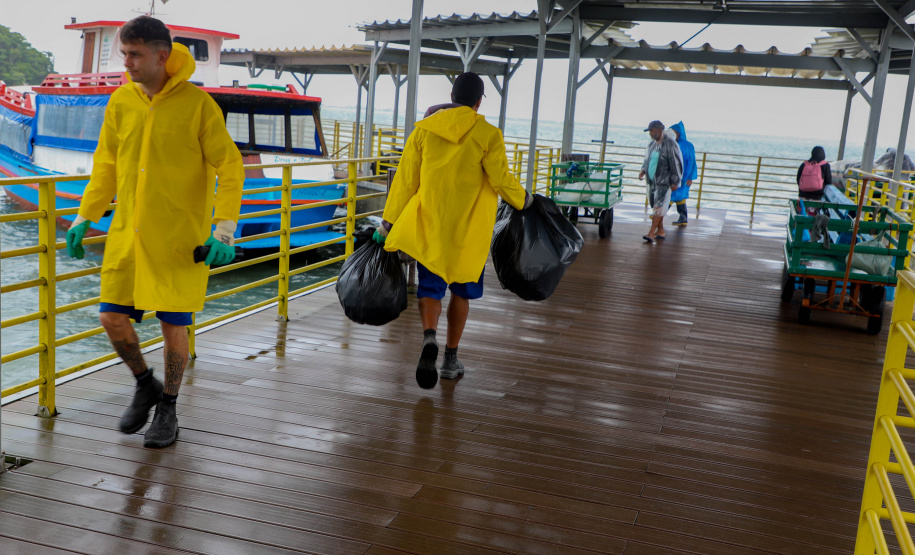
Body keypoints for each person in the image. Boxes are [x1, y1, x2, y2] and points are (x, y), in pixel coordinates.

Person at [65, 16, 244, 448]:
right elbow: (105, 164)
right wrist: (84, 215)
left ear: (161, 56)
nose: (126, 62)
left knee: (173, 326)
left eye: (135, 54)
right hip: (128, 233)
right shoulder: (121, 101)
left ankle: (168, 407)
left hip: (181, 238)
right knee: (110, 316)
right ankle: (144, 382)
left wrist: (224, 229)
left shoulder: (198, 105)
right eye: (124, 53)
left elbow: (230, 165)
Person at [373, 72, 532, 389]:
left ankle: (429, 336)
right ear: (478, 101)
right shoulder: (488, 134)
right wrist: (525, 201)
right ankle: (450, 358)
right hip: (469, 231)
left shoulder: (424, 131)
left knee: (431, 290)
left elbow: (406, 182)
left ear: (452, 95)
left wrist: (387, 223)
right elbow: (501, 181)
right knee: (461, 291)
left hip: (430, 226)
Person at [638, 120, 682, 243]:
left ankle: (651, 233)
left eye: (652, 130)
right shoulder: (652, 145)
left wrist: (675, 181)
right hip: (652, 181)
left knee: (658, 207)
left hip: (664, 181)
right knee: (656, 206)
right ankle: (661, 230)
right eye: (650, 131)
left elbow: (675, 163)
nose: (650, 133)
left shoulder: (670, 144)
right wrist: (643, 170)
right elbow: (648, 159)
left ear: (659, 130)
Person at [668, 121, 697, 226]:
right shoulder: (672, 144)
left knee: (672, 195)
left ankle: (659, 214)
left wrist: (690, 177)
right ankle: (683, 218)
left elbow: (692, 161)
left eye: (675, 132)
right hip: (674, 174)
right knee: (679, 197)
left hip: (684, 176)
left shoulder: (687, 146)